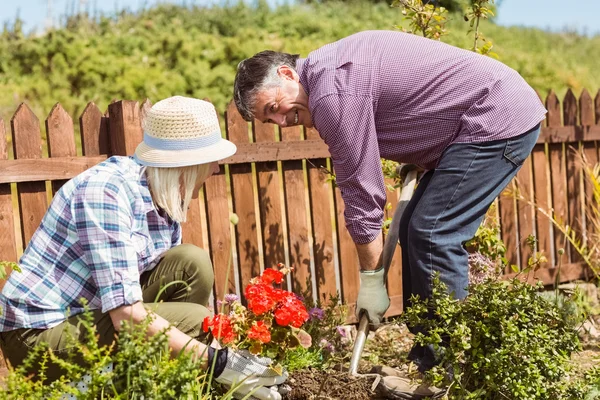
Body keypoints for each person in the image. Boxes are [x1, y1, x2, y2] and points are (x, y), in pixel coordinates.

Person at [233, 30, 546, 398]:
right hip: (477, 120)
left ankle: (448, 375)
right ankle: (426, 361)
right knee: (420, 228)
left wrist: (370, 281)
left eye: (273, 108)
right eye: (271, 122)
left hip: (494, 118)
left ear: (287, 74)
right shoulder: (328, 71)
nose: (283, 123)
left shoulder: (331, 93)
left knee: (433, 233)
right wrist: (419, 149)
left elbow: (362, 192)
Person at [0, 96, 286, 400]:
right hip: (39, 336)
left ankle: (157, 384)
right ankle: (87, 390)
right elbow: (126, 316)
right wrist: (219, 363)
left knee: (192, 263)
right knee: (191, 321)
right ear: (186, 164)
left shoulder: (161, 194)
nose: (216, 169)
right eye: (211, 159)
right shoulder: (107, 193)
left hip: (93, 314)